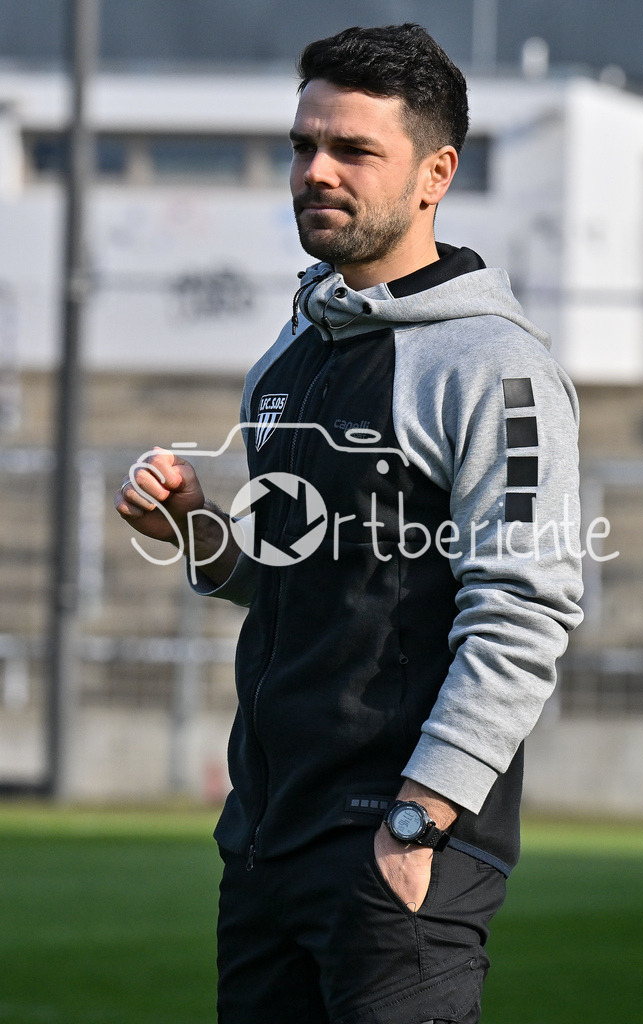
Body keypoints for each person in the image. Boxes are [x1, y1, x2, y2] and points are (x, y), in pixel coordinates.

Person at [115, 23, 583, 1024]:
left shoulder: (493, 366)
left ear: (433, 174)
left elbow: (527, 604)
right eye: (301, 145)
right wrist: (198, 525)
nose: (314, 172)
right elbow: (289, 571)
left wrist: (419, 818)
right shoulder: (290, 350)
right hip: (264, 843)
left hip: (394, 850)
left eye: (352, 150)